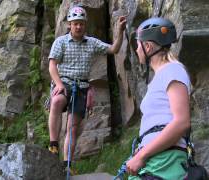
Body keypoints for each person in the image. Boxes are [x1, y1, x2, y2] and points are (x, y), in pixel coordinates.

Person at [46, 5, 126, 173]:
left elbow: (113, 49)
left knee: (73, 128)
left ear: (85, 25)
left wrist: (120, 31)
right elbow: (52, 65)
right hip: (64, 82)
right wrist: (59, 84)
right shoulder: (60, 42)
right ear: (69, 24)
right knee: (57, 101)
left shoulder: (91, 43)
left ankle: (67, 164)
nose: (78, 26)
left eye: (81, 23)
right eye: (75, 23)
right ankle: (53, 144)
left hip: (82, 86)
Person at [126, 17, 191, 179]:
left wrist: (141, 156)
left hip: (165, 160)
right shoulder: (161, 76)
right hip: (156, 158)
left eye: (138, 45)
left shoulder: (173, 70)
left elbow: (181, 122)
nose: (137, 50)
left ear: (147, 46)